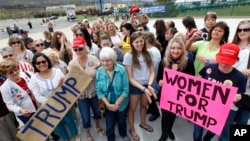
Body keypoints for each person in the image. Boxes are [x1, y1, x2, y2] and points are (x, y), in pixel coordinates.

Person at [198, 43, 246, 141]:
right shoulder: (209, 68)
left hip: (226, 109)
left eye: (228, 61)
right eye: (222, 60)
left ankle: (207, 138)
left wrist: (238, 97)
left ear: (236, 60)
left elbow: (241, 95)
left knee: (219, 127)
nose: (224, 64)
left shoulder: (240, 77)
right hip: (206, 104)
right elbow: (201, 79)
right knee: (198, 132)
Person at [29, 53, 80, 141]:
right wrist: (51, 101)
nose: (41, 64)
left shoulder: (57, 71)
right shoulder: (34, 79)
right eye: (38, 63)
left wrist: (61, 85)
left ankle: (75, 134)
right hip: (48, 105)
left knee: (69, 120)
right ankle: (65, 138)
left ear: (47, 61)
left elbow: (66, 86)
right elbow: (37, 96)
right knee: (57, 124)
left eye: (43, 61)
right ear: (35, 65)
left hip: (62, 101)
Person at [158, 38, 195, 141]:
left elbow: (192, 81)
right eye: (173, 48)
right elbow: (159, 77)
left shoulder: (188, 63)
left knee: (173, 113)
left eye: (179, 48)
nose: (175, 51)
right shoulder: (164, 62)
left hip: (179, 95)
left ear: (183, 50)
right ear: (169, 49)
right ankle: (164, 133)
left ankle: (169, 130)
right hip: (165, 93)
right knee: (165, 114)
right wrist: (160, 81)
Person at [68, 37, 104, 141]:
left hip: (95, 93)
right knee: (85, 115)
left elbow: (102, 74)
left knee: (97, 112)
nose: (78, 51)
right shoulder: (72, 64)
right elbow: (71, 81)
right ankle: (88, 132)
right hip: (81, 96)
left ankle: (98, 126)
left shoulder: (93, 59)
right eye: (75, 49)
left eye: (80, 48)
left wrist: (95, 73)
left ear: (85, 48)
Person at [123, 32, 157, 141]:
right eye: (136, 42)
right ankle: (132, 129)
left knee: (144, 106)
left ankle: (143, 123)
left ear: (144, 40)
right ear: (132, 43)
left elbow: (152, 72)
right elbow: (131, 78)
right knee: (132, 109)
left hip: (147, 86)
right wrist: (143, 88)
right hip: (136, 87)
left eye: (141, 41)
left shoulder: (149, 53)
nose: (139, 44)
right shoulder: (128, 56)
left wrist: (150, 85)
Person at [96, 47, 131, 141]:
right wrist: (108, 105)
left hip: (121, 103)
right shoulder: (99, 72)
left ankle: (123, 134)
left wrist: (116, 105)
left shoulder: (121, 70)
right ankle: (111, 138)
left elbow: (126, 90)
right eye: (102, 61)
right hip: (107, 103)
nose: (105, 63)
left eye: (108, 60)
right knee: (109, 124)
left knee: (122, 120)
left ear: (113, 60)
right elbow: (99, 91)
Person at [232, 20, 250, 125]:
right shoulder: (231, 45)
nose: (242, 31)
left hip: (247, 92)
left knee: (242, 121)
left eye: (246, 29)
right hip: (231, 89)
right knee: (228, 119)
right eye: (239, 29)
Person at [144, 32, 161, 121]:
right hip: (150, 75)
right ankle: (151, 108)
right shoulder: (150, 49)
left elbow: (153, 66)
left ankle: (155, 112)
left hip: (152, 76)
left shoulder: (153, 51)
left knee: (150, 94)